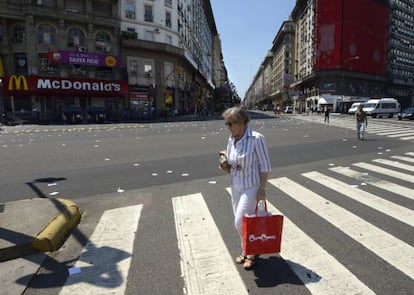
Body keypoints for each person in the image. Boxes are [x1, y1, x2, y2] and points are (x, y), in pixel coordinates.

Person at [221, 107, 271, 270]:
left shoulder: (257, 138)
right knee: (242, 222)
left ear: (241, 122)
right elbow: (231, 163)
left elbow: (265, 166)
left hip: (251, 186)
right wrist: (225, 165)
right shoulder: (231, 140)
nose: (228, 127)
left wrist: (262, 188)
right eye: (226, 123)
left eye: (231, 123)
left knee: (239, 221)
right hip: (235, 185)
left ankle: (251, 253)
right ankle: (247, 250)